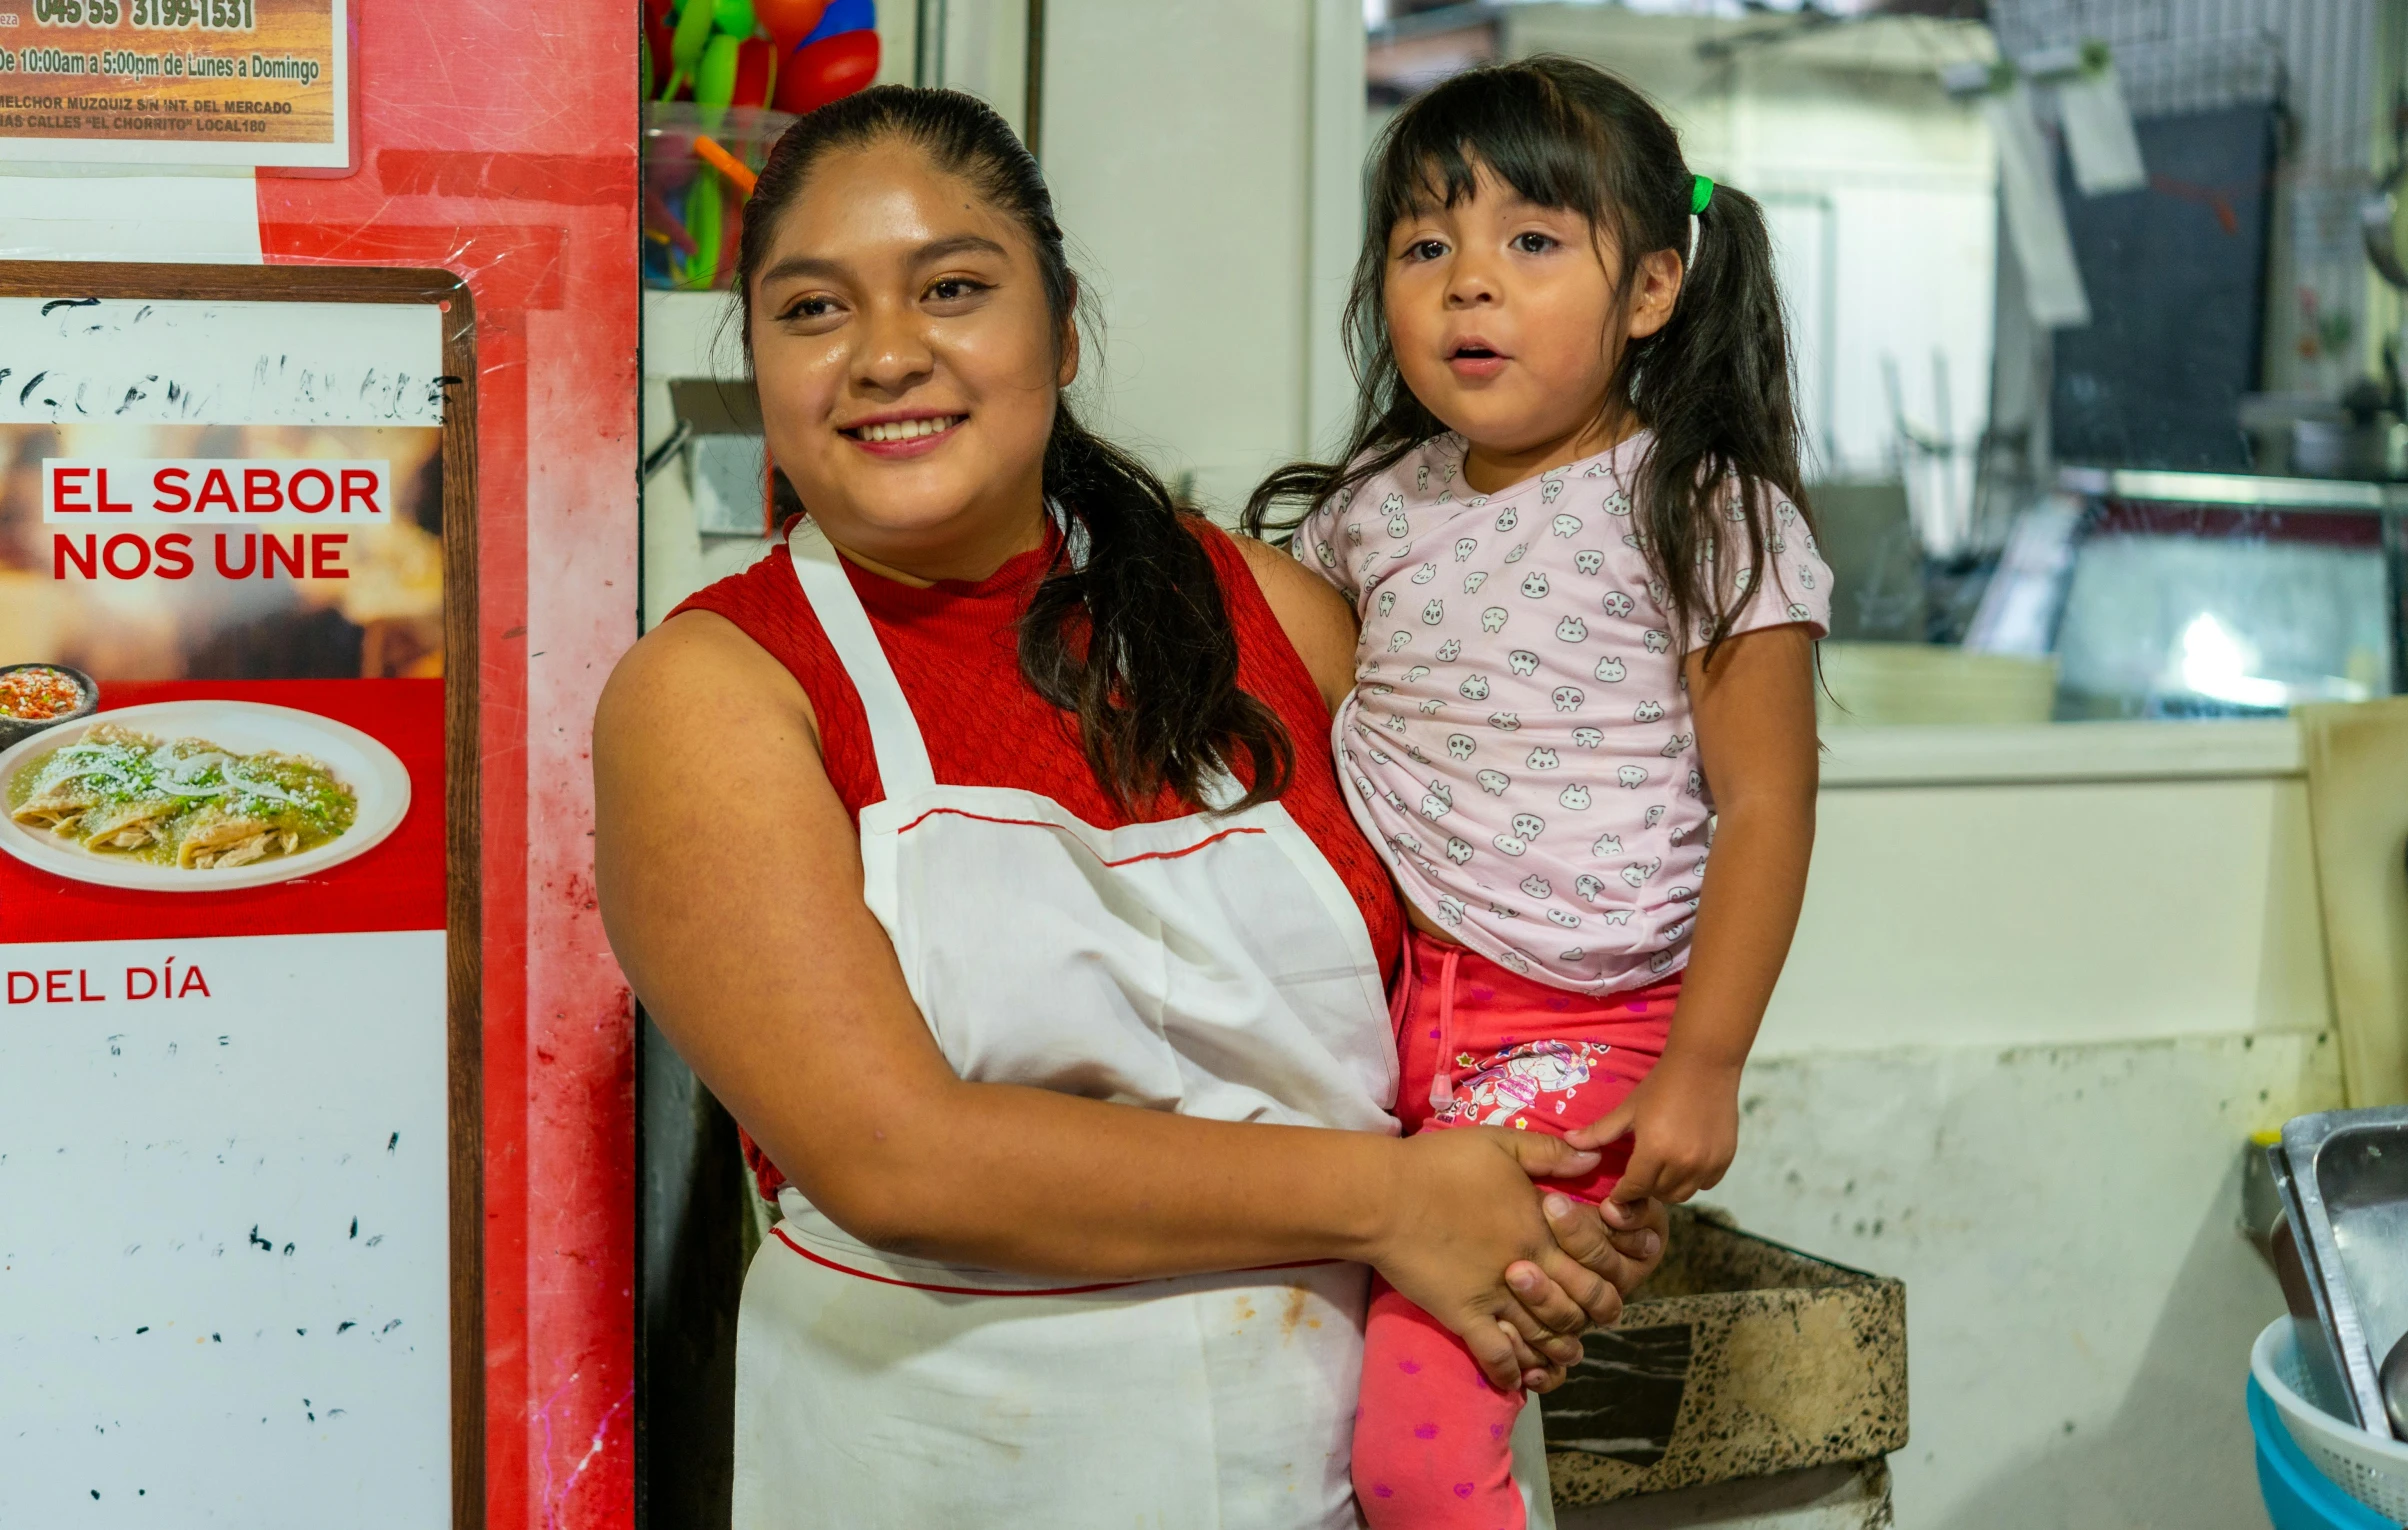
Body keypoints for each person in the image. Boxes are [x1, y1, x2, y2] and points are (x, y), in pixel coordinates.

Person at [591, 86, 1667, 1529]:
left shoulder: (1276, 616)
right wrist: (1399, 1201)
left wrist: (1567, 1183)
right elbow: (898, 1154)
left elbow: (1524, 936)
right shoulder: (717, 690)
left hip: (1346, 1471)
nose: (888, 354)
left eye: (955, 289)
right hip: (959, 1472)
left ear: (1065, 326)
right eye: (812, 311)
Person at [1244, 57, 1830, 1528]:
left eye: (1530, 243)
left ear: (1650, 289)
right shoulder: (1373, 506)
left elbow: (1766, 802)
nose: (1468, 288)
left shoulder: (1703, 505)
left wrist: (1704, 1064)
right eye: (1426, 246)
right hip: (1371, 1017)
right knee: (1293, 1418)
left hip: (1579, 1042)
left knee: (1415, 1459)